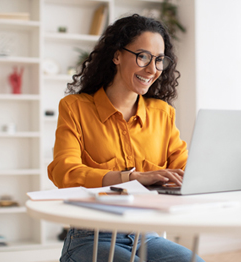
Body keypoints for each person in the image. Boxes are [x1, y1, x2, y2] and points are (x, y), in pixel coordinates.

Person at [48, 14, 205, 262]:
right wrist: (131, 178)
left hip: (145, 235)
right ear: (117, 55)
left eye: (159, 60)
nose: (152, 69)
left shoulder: (162, 114)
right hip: (90, 237)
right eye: (143, 56)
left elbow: (186, 169)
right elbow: (63, 172)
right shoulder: (75, 107)